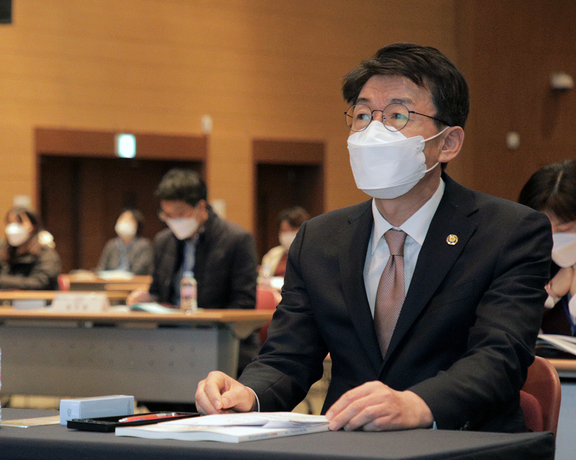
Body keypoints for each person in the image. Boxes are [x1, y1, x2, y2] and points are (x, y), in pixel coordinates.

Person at [195, 43, 553, 433]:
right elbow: (288, 357)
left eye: (398, 115)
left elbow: (500, 357)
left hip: (462, 442)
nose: (374, 131)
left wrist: (418, 405)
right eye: (363, 115)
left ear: (448, 143)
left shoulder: (508, 232)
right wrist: (248, 393)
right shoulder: (319, 238)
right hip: (348, 443)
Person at [128, 168, 259, 372]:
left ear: (201, 206)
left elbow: (244, 304)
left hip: (221, 341)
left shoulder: (237, 240)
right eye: (167, 215)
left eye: (180, 214)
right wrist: (145, 299)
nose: (174, 221)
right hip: (171, 339)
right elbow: (157, 293)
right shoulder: (163, 241)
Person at [519, 159, 576, 336]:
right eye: (543, 229)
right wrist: (551, 294)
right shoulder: (526, 258)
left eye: (563, 230)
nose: (552, 238)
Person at [0, 207, 61, 290]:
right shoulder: (2, 251)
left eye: (19, 222)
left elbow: (41, 282)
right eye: (10, 223)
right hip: (4, 298)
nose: (13, 227)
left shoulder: (45, 254)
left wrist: (0, 282)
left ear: (33, 226)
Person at [259, 206, 311, 280]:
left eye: (292, 230)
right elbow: (263, 278)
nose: (287, 234)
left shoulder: (312, 255)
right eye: (284, 230)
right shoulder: (272, 254)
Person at [96, 209, 152, 275]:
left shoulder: (144, 245)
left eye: (129, 220)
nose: (124, 223)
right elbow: (100, 269)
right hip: (111, 280)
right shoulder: (111, 244)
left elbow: (139, 270)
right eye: (122, 219)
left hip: (134, 281)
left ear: (137, 224)